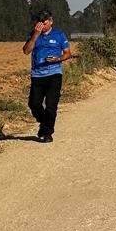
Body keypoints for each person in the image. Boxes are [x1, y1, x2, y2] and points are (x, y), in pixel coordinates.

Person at [22, 10, 74, 143]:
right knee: (34, 104)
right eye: (40, 23)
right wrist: (35, 35)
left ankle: (47, 133)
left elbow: (68, 53)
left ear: (51, 21)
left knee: (51, 105)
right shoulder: (34, 34)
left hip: (54, 74)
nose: (42, 26)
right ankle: (44, 123)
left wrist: (58, 59)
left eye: (44, 23)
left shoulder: (59, 35)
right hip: (37, 75)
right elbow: (26, 51)